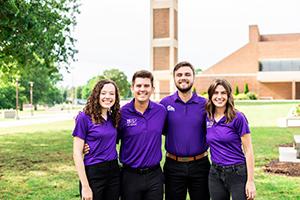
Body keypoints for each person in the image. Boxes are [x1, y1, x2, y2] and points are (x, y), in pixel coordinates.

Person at [160, 61, 210, 200]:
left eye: (187, 74)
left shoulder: (205, 104)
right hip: (173, 165)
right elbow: (160, 129)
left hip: (200, 165)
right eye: (179, 75)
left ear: (194, 77)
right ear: (174, 78)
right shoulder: (165, 104)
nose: (183, 78)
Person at [118, 70, 167, 200]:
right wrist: (88, 145)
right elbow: (110, 138)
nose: (142, 89)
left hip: (154, 175)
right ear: (132, 88)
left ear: (152, 89)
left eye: (146, 86)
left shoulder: (161, 111)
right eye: (138, 86)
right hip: (130, 176)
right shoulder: (122, 113)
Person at [206, 79, 256, 200]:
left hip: (237, 172)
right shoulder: (207, 117)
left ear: (228, 95)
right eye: (215, 93)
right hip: (215, 172)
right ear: (210, 95)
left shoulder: (238, 117)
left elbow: (248, 150)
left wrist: (250, 181)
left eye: (223, 93)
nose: (219, 96)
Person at [72, 79, 121, 200]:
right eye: (103, 93)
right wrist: (85, 186)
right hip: (94, 172)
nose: (107, 97)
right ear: (97, 95)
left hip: (114, 171)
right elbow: (77, 154)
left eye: (111, 93)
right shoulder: (84, 117)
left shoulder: (113, 117)